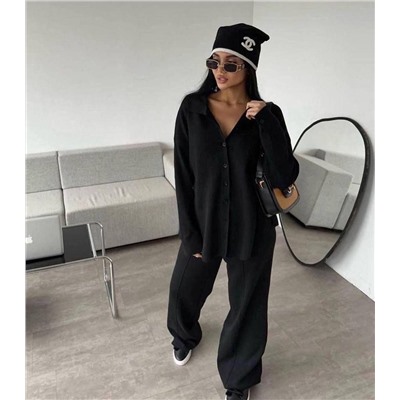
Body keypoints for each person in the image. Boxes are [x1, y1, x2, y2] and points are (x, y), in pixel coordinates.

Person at [167, 23, 299, 400]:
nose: (219, 70)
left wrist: (268, 123)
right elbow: (184, 175)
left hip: (252, 227)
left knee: (247, 306)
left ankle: (238, 379)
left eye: (230, 64)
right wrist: (189, 232)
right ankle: (184, 335)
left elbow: (286, 174)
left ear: (249, 68)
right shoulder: (192, 109)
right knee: (184, 288)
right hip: (204, 222)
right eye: (214, 61)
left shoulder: (267, 114)